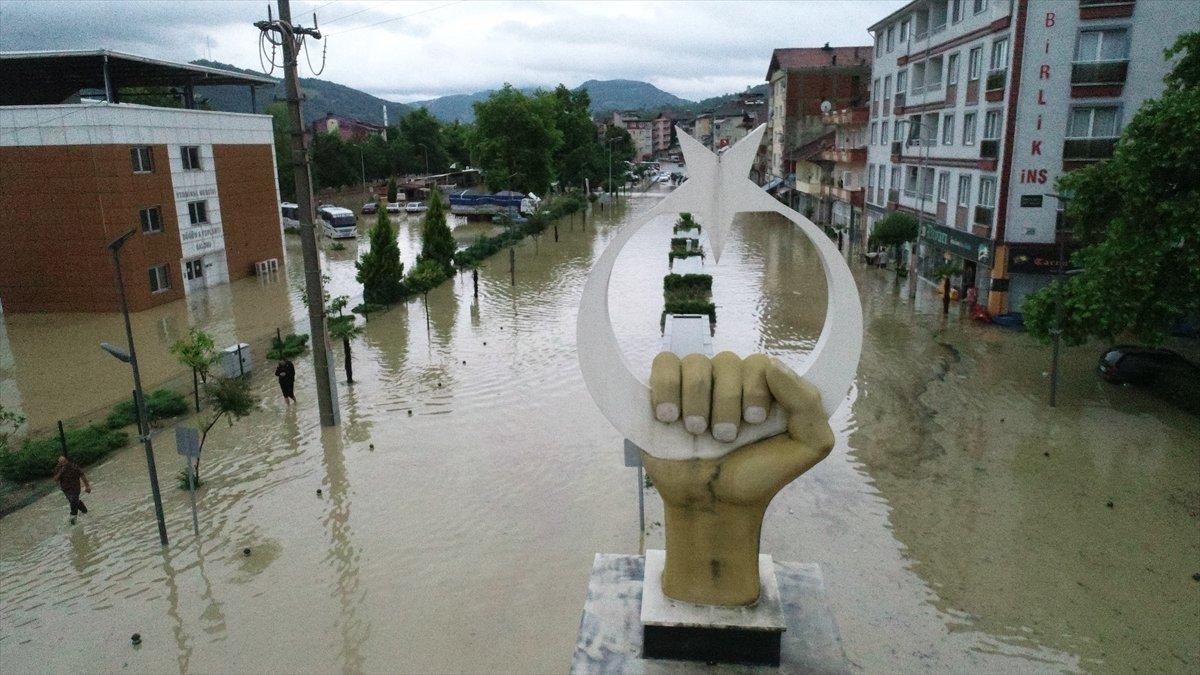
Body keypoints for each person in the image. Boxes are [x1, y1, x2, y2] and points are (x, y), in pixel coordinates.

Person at [52, 455, 90, 524]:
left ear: (67, 461)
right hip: (66, 490)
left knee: (73, 500)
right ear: (59, 463)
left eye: (64, 461)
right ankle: (84, 511)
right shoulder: (58, 468)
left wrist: (87, 486)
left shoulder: (74, 467)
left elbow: (82, 475)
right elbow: (55, 479)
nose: (64, 463)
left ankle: (73, 517)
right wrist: (61, 471)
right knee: (74, 501)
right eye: (61, 462)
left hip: (75, 488)